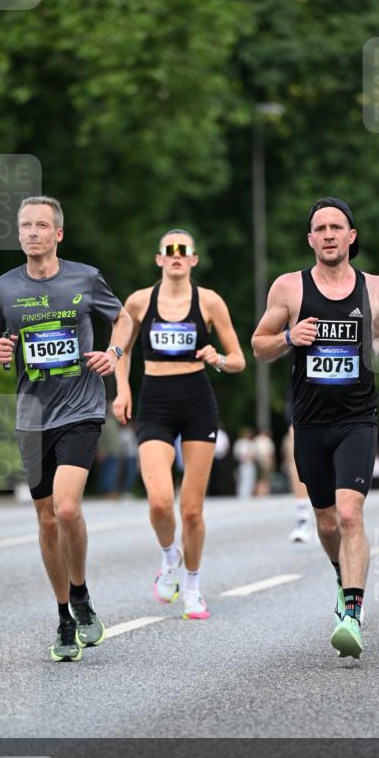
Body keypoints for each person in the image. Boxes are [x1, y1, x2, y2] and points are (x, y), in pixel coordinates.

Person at [0, 196, 132, 662]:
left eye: (41, 225)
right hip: (32, 416)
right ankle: (64, 615)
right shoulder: (2, 289)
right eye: (25, 225)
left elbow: (122, 318)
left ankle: (80, 594)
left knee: (66, 510)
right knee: (45, 520)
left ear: (58, 234)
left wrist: (115, 355)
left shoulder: (84, 278)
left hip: (81, 409)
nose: (32, 232)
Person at [252, 196, 379, 660]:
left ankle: (352, 614)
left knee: (350, 514)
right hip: (310, 422)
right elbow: (258, 345)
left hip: (358, 418)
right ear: (311, 239)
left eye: (337, 227)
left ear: (351, 236)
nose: (329, 234)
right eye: (321, 228)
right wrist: (287, 338)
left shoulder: (376, 288)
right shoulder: (289, 288)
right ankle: (344, 580)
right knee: (325, 522)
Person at [113, 228, 245, 619]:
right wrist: (122, 389)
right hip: (155, 399)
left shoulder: (210, 302)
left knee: (191, 510)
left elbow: (239, 358)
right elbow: (120, 348)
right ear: (158, 259)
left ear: (193, 259)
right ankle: (170, 555)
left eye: (182, 250)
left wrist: (216, 357)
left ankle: (192, 587)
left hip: (197, 401)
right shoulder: (139, 301)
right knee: (158, 501)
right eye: (168, 250)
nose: (175, 255)